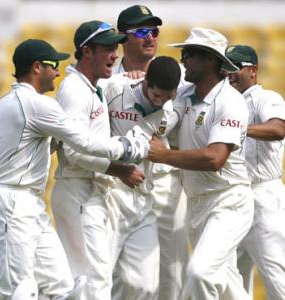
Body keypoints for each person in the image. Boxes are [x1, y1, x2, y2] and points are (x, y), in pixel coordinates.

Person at [0, 38, 146, 300]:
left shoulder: (8, 102)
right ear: (37, 67)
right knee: (18, 290)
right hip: (12, 203)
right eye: (53, 65)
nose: (58, 72)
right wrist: (128, 147)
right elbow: (84, 141)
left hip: (27, 203)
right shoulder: (37, 104)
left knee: (62, 286)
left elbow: (37, 147)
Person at [147, 27, 255, 300]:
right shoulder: (184, 95)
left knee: (199, 273)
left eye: (189, 54)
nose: (183, 60)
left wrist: (164, 156)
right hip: (196, 204)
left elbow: (214, 158)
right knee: (228, 285)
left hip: (229, 202)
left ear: (211, 60)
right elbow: (161, 127)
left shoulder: (230, 101)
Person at [50, 20, 147, 300]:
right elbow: (74, 151)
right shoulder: (75, 91)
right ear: (86, 51)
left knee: (93, 278)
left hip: (88, 190)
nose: (114, 55)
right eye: (107, 48)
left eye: (115, 47)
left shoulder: (93, 86)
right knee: (92, 280)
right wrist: (119, 169)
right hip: (77, 189)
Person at [112, 5, 189, 300]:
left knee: (172, 270)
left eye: (154, 31)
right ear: (122, 37)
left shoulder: (177, 77)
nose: (150, 37)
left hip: (166, 184)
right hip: (121, 185)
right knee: (123, 276)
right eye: (141, 31)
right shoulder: (112, 80)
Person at [105, 55, 181, 300]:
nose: (159, 102)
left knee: (146, 286)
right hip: (110, 194)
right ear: (146, 81)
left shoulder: (172, 110)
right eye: (156, 95)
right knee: (102, 278)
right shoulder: (115, 88)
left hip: (143, 197)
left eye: (166, 97)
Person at [225, 45, 285, 300]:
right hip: (236, 195)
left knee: (275, 272)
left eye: (236, 67)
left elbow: (277, 129)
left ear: (254, 70)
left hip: (263, 195)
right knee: (234, 277)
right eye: (226, 66)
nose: (230, 73)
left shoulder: (266, 97)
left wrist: (235, 129)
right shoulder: (228, 100)